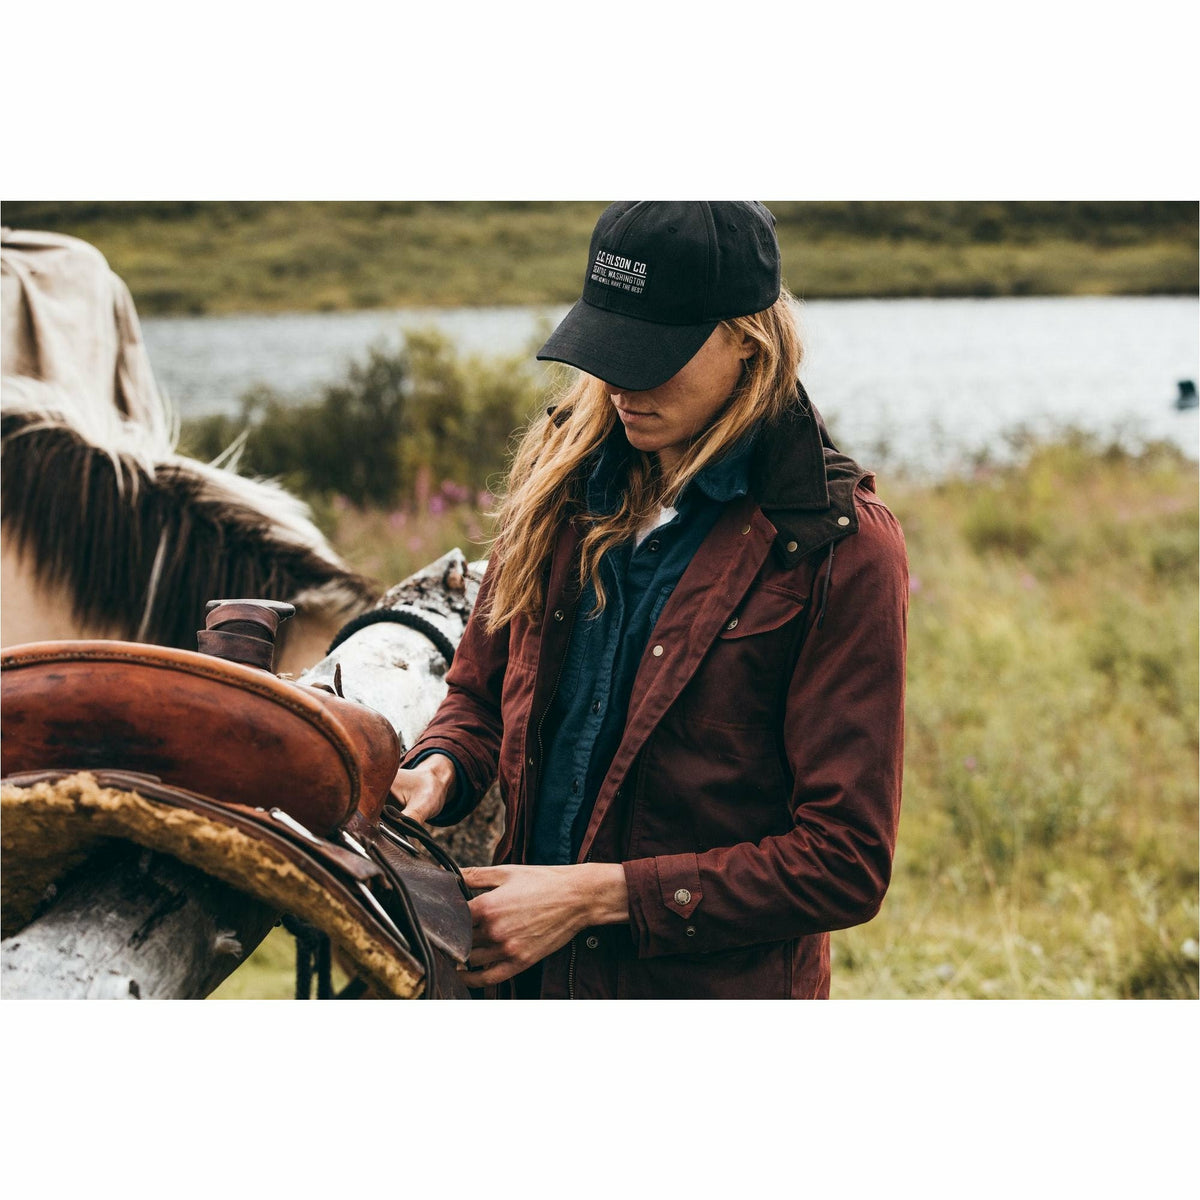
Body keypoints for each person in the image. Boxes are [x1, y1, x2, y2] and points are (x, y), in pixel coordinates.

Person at [393, 201, 908, 999]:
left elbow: (844, 861)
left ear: (748, 336)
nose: (623, 383)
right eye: (607, 350)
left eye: (654, 354)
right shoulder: (556, 487)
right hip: (523, 986)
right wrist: (437, 770)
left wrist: (594, 898)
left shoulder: (837, 549)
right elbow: (480, 693)